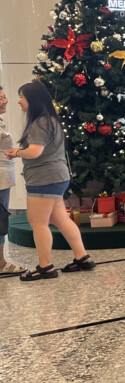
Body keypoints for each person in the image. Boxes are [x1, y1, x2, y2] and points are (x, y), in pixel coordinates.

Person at [4, 82, 94, 280]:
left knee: (38, 222)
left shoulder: (40, 122)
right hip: (56, 177)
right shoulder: (51, 120)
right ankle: (82, 257)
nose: (18, 101)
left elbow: (35, 152)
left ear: (32, 99)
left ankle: (45, 266)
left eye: (21, 97)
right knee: (60, 219)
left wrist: (17, 152)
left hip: (44, 179)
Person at [0, 85, 26, 275]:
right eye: (1, 98)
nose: (6, 100)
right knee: (0, 220)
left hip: (4, 177)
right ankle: (1, 264)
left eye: (4, 96)